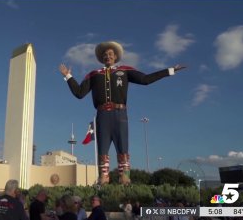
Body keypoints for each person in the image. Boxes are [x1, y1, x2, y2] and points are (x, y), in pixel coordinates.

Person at [59, 41, 187, 185]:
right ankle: (103, 178)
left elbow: (145, 80)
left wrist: (169, 71)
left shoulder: (125, 70)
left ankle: (124, 177)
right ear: (102, 58)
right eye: (105, 55)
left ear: (115, 57)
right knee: (102, 149)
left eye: (111, 54)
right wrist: (68, 76)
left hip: (120, 114)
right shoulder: (94, 74)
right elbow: (79, 93)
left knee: (123, 147)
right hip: (102, 115)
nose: (108, 56)